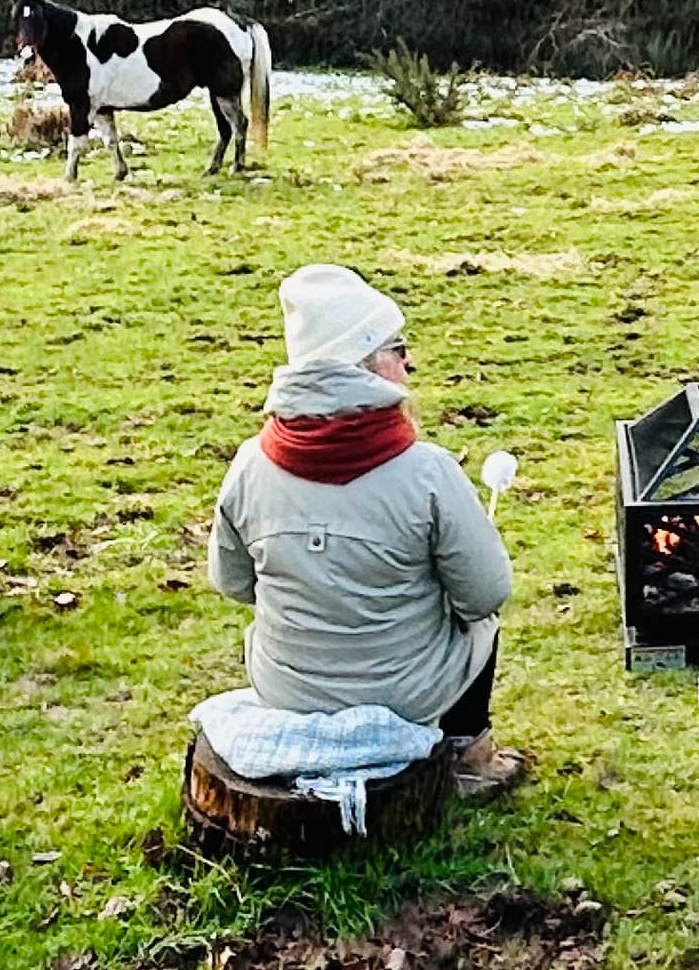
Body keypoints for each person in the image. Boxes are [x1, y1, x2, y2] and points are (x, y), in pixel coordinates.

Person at [207, 263, 523, 797]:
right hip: (407, 697)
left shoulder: (248, 464)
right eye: (398, 348)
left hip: (286, 692)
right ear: (366, 364)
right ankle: (469, 757)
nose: (409, 362)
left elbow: (232, 583)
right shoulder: (428, 472)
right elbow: (487, 593)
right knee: (481, 622)